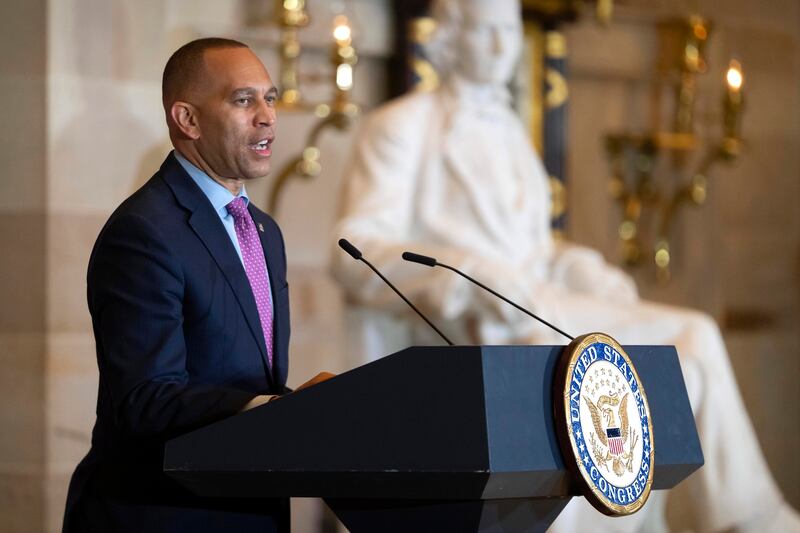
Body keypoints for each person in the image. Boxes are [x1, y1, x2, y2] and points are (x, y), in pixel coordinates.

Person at [331, 1, 800, 531]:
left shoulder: (509, 129)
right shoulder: (401, 127)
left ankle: (732, 516)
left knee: (684, 362)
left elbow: (533, 247)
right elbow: (355, 252)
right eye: (485, 32)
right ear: (449, 37)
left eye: (507, 33)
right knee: (694, 334)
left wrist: (578, 264)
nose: (501, 47)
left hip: (541, 302)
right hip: (482, 322)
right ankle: (757, 519)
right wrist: (464, 273)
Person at [62, 38, 330, 533]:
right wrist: (276, 409)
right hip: (163, 512)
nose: (269, 117)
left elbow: (249, 379)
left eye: (269, 98)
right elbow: (146, 398)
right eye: (243, 100)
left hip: (250, 509)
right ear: (187, 119)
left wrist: (301, 409)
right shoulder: (144, 232)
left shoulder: (265, 231)